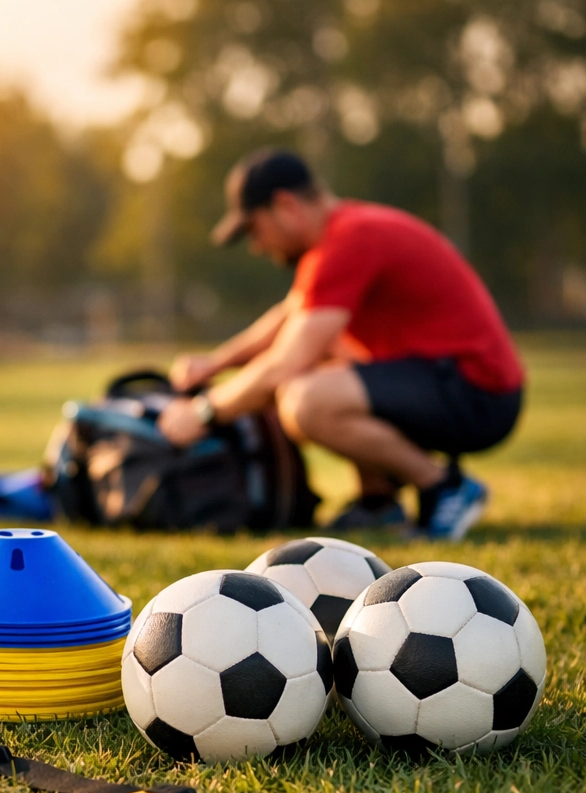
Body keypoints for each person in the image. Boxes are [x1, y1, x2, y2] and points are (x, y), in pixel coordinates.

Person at [158, 149, 524, 539]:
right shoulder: (340, 236)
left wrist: (202, 414)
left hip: (477, 392)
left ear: (285, 206)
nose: (257, 245)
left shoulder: (351, 240)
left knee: (305, 400)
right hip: (449, 380)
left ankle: (444, 487)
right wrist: (214, 364)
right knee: (321, 361)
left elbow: (285, 364)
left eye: (254, 228)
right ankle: (378, 503)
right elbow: (288, 318)